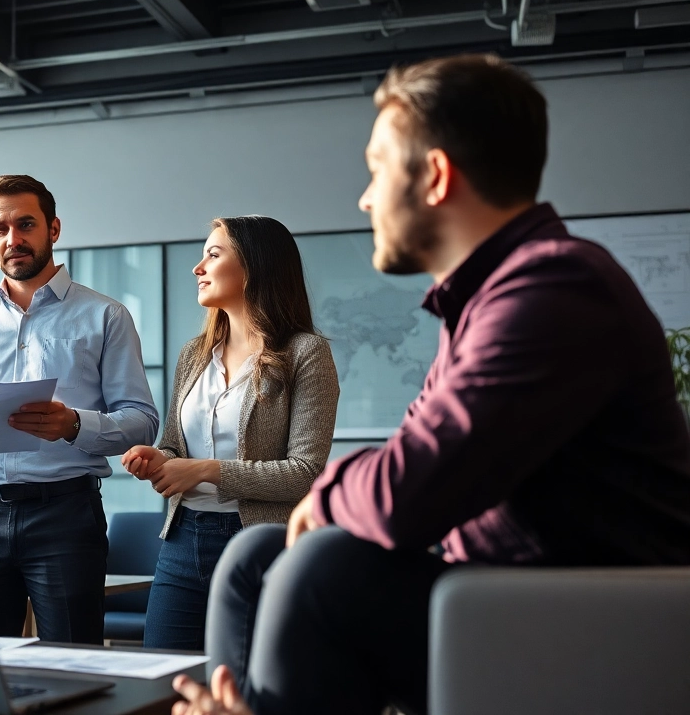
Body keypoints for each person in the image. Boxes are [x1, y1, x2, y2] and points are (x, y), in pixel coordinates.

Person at [174, 54, 690, 715]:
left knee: (319, 570)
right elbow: (412, 458)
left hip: (585, 616)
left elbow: (406, 492)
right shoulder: (482, 303)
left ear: (437, 177)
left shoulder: (556, 287)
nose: (365, 198)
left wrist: (325, 493)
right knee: (254, 557)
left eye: (377, 169)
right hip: (496, 593)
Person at [0, 174, 160, 644]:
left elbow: (142, 420)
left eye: (26, 224)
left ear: (53, 229)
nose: (13, 239)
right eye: (0, 228)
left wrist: (75, 424)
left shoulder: (105, 315)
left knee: (73, 662)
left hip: (65, 516)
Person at [122, 216, 338, 651]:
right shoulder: (194, 355)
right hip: (181, 542)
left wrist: (205, 470)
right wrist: (157, 458)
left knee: (246, 688)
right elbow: (173, 446)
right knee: (161, 680)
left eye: (213, 255)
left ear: (254, 268)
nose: (197, 267)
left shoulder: (306, 354)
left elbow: (306, 473)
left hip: (259, 544)